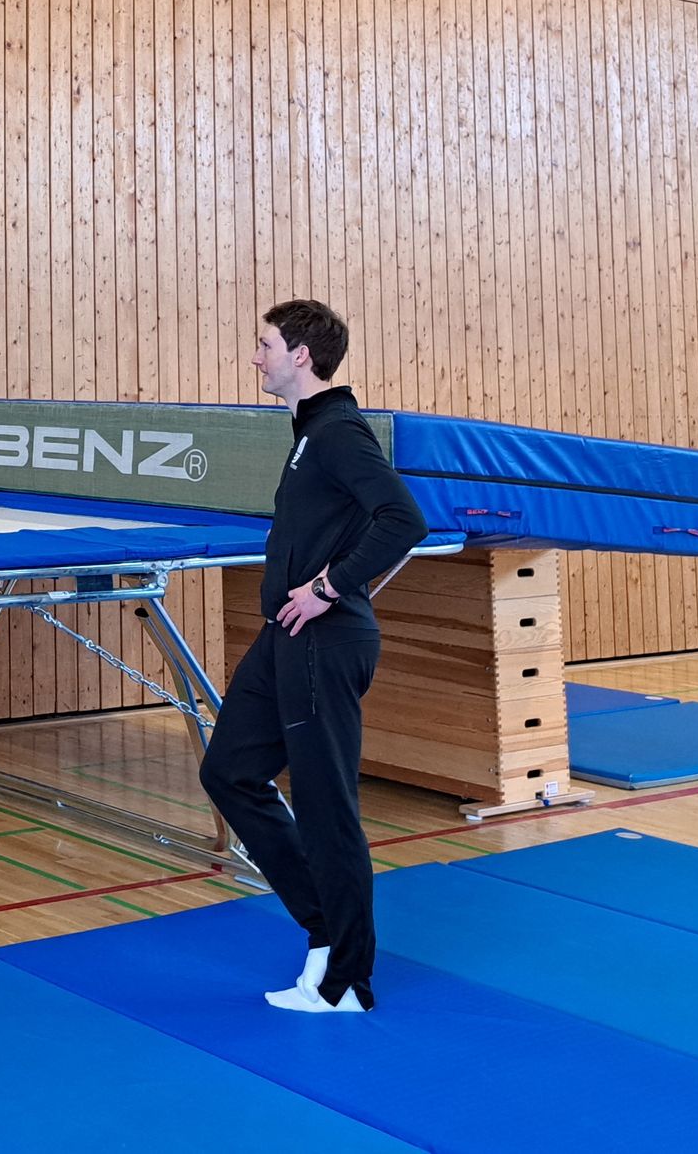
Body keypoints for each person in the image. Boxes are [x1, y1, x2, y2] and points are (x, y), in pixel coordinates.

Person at [199, 299, 428, 1014]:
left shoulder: (337, 432)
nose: (255, 357)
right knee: (229, 771)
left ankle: (345, 981)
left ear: (301, 355)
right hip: (285, 638)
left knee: (327, 807)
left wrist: (330, 586)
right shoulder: (308, 434)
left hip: (324, 641)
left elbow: (403, 519)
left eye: (264, 344)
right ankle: (325, 927)